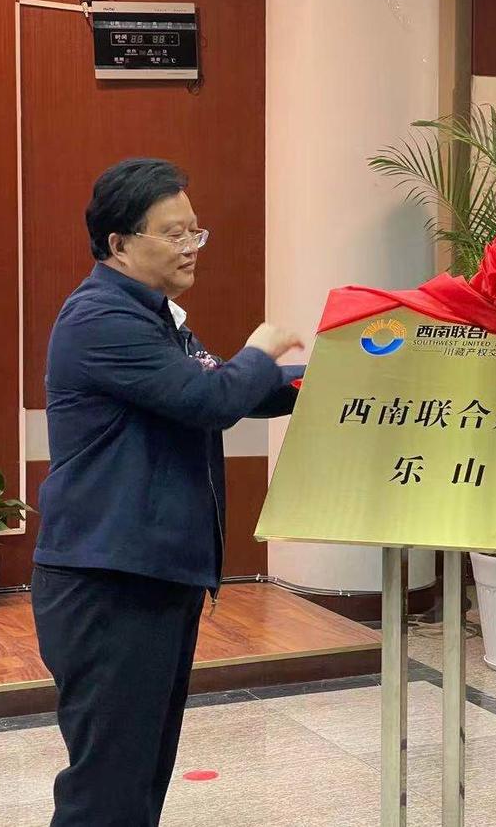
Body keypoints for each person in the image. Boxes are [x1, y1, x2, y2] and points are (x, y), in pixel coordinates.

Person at [31, 158, 305, 826]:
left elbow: (233, 386)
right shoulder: (100, 318)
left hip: (152, 576)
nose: (190, 247)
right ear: (120, 243)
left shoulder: (156, 317)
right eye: (173, 233)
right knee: (107, 791)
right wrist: (261, 348)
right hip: (109, 584)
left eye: (195, 232)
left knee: (141, 778)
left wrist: (330, 376)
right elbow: (210, 398)